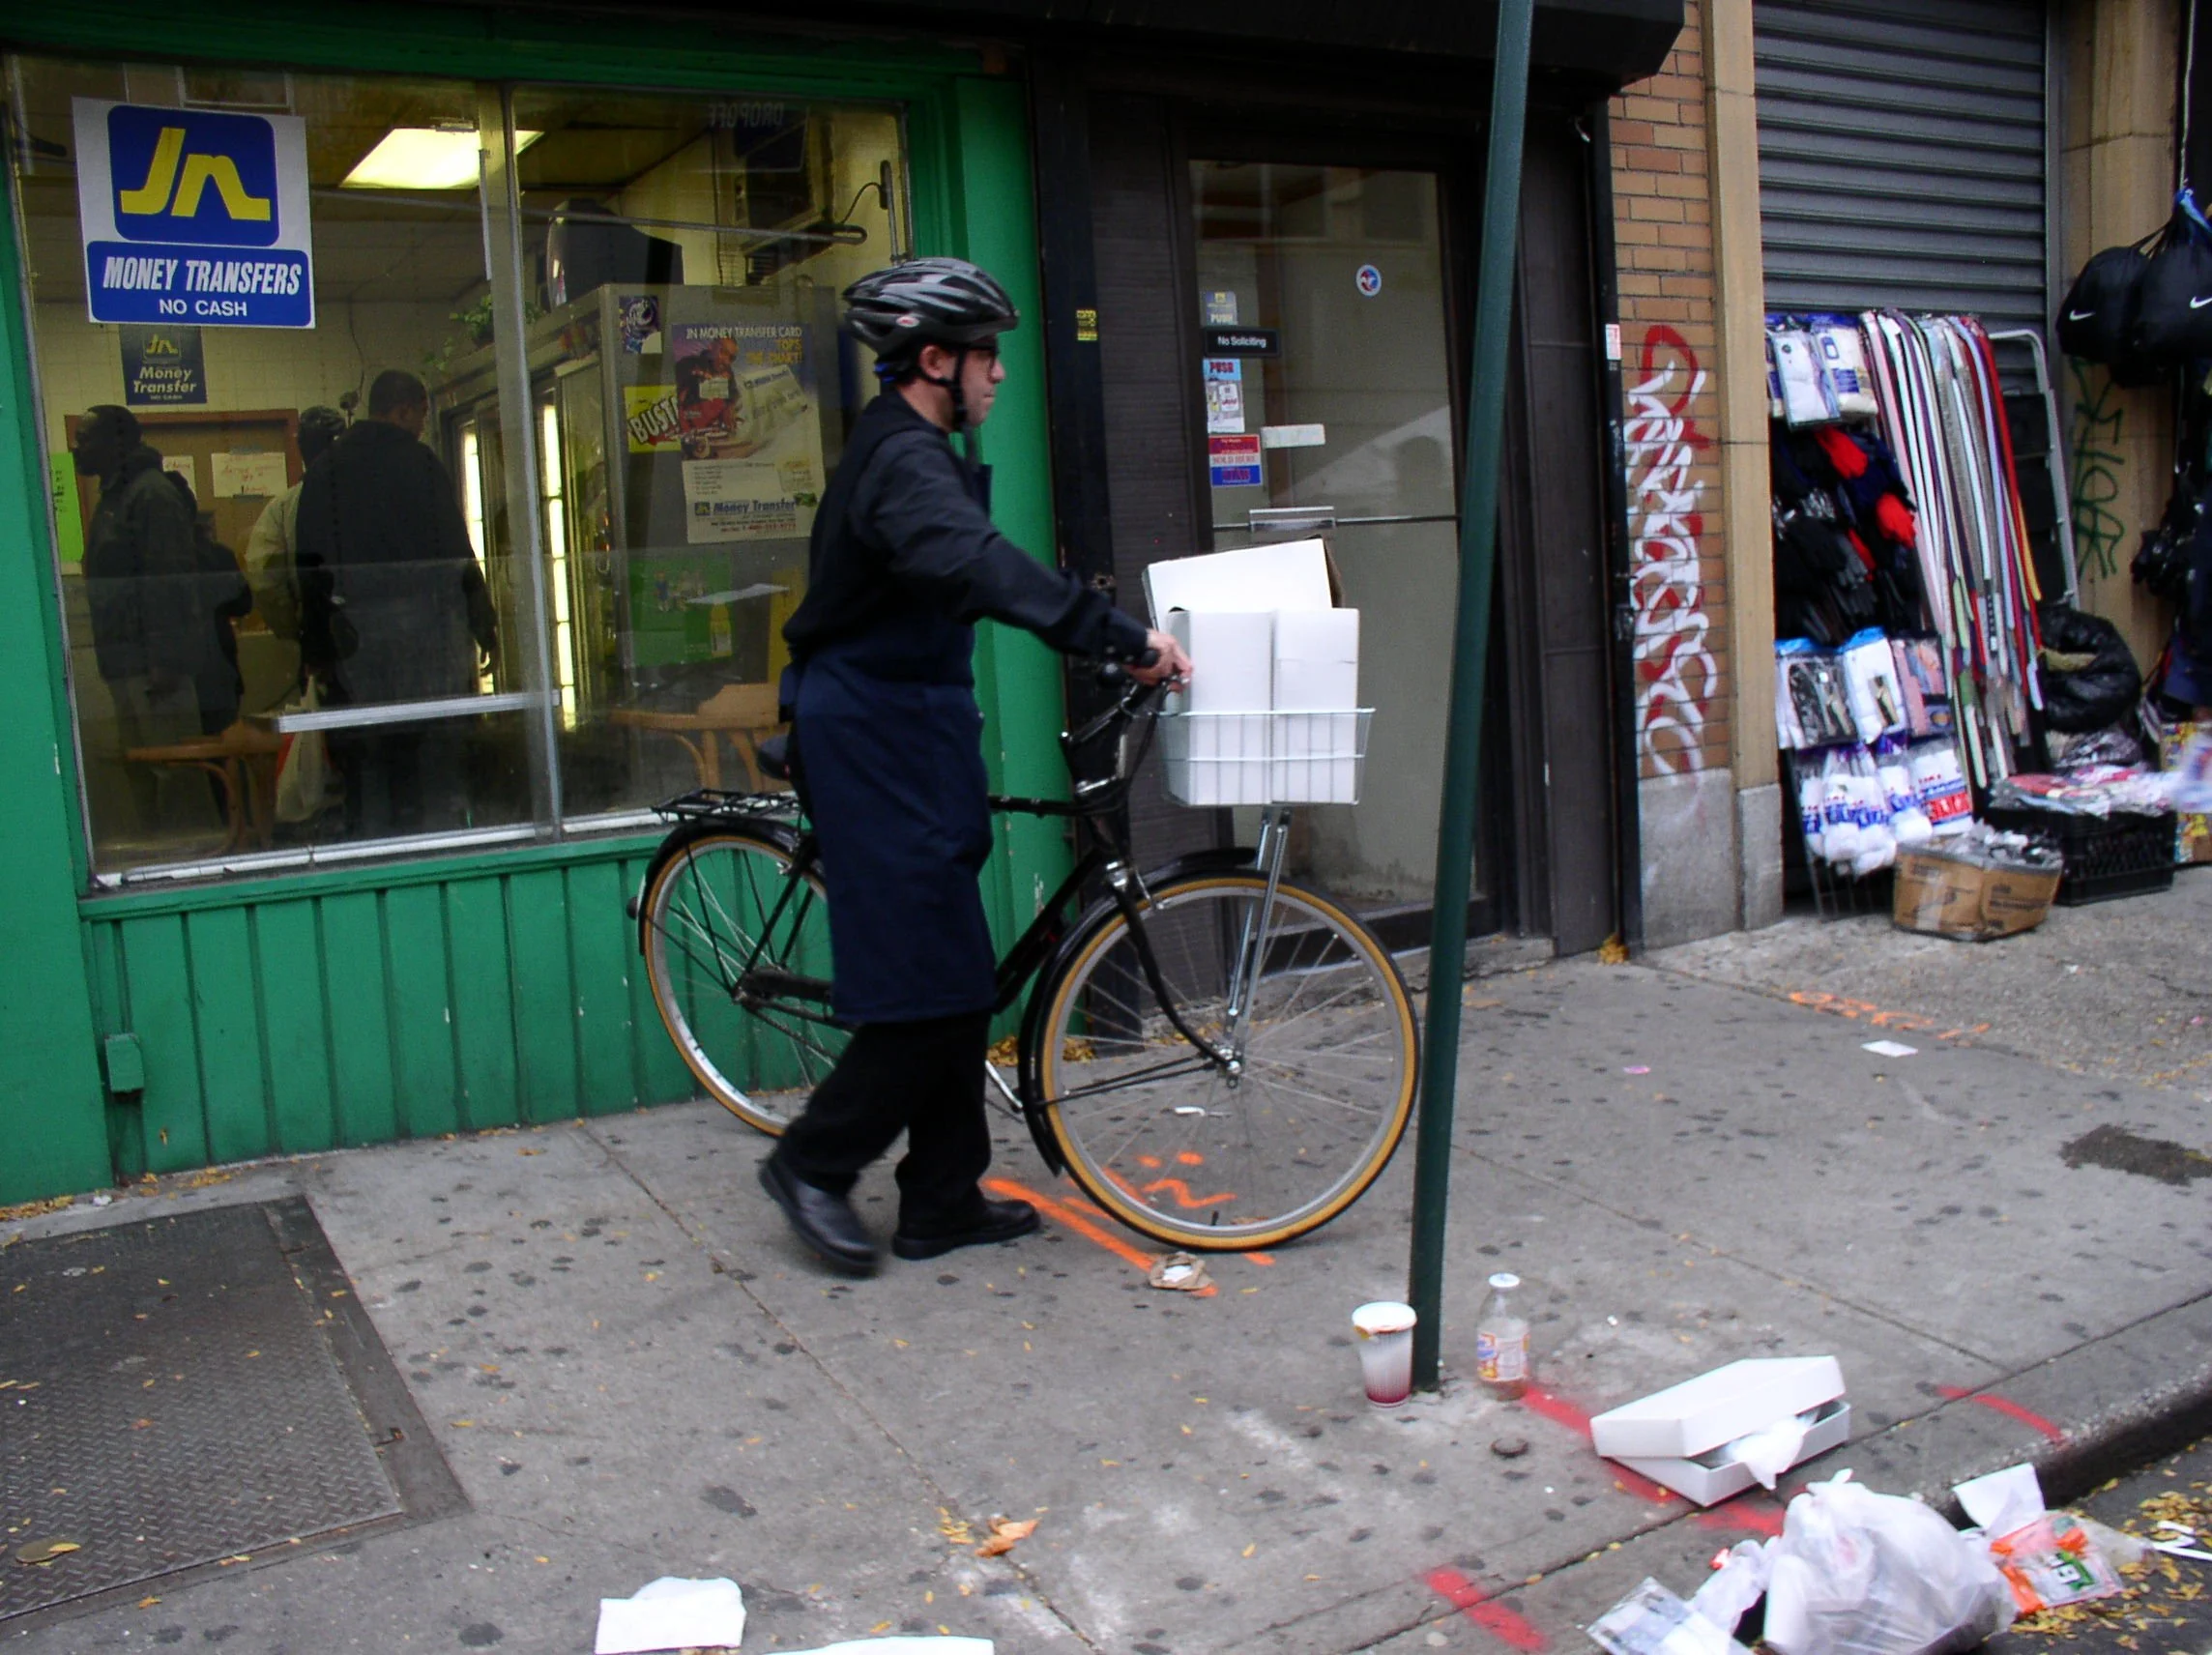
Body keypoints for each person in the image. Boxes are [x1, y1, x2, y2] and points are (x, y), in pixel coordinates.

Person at [758, 257, 1192, 1276]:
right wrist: (1119, 635)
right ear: (933, 360)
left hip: (916, 731)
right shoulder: (902, 460)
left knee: (954, 979)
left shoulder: (914, 451)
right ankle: (811, 1163)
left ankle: (942, 1199)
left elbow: (964, 572)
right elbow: (979, 564)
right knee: (931, 985)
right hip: (872, 739)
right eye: (985, 354)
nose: (997, 373)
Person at [296, 370, 497, 837]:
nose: (422, 426)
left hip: (354, 639)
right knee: (428, 749)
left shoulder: (326, 470)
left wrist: (316, 646)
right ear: (403, 410)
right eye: (421, 415)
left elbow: (308, 566)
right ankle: (434, 838)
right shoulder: (419, 464)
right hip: (425, 635)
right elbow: (454, 551)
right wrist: (481, 621)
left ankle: (373, 840)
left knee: (366, 751)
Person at [74, 405, 209, 828]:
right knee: (143, 768)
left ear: (116, 442)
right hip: (126, 662)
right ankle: (160, 851)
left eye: (85, 439)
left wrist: (165, 660)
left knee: (176, 774)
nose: (77, 448)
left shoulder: (150, 494)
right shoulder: (116, 498)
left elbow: (169, 580)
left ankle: (191, 854)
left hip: (155, 669)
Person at [246, 404, 348, 645]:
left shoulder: (284, 506)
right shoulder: (369, 497)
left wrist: (292, 629)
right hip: (373, 626)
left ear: (301, 448)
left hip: (318, 630)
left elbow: (265, 578)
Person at [163, 470, 253, 737]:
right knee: (225, 742)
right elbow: (243, 604)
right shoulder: (218, 555)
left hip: (174, 671)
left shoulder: (158, 563)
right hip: (220, 664)